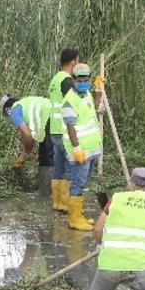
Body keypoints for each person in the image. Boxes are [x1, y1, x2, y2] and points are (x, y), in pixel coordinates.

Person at [59, 68, 103, 230]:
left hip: (91, 148)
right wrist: (76, 148)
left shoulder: (87, 95)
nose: (83, 83)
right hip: (80, 150)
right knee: (77, 182)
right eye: (80, 80)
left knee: (83, 182)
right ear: (74, 79)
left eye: (86, 80)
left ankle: (79, 216)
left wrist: (98, 90)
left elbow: (96, 108)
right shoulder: (69, 100)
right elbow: (70, 126)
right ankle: (74, 219)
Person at [47, 48, 81, 212]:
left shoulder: (55, 78)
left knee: (59, 166)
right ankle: (67, 203)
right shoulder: (67, 80)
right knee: (70, 166)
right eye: (78, 61)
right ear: (73, 61)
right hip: (65, 129)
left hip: (55, 128)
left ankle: (58, 202)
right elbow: (74, 103)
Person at [0, 94, 52, 171]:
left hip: (51, 121)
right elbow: (32, 137)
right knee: (44, 156)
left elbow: (27, 135)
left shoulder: (14, 111)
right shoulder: (26, 103)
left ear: (7, 109)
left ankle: (47, 182)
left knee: (48, 162)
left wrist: (26, 153)